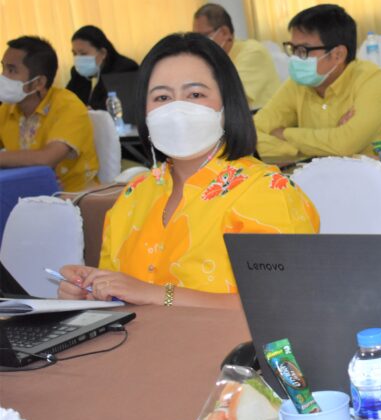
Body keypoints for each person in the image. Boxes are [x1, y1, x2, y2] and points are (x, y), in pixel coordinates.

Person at [57, 33, 319, 309]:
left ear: (227, 104)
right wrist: (92, 291)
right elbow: (121, 294)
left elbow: (286, 305)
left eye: (195, 94)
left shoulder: (267, 192)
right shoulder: (135, 194)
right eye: (162, 97)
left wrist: (157, 294)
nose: (177, 109)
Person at [254, 4, 381, 160]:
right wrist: (314, 149)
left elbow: (345, 144)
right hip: (322, 170)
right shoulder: (297, 84)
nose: (295, 58)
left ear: (338, 54)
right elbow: (252, 134)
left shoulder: (373, 81)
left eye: (303, 50)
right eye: (292, 49)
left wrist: (284, 134)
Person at [0, 36, 98, 192]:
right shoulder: (7, 108)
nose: (3, 77)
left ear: (39, 83)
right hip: (26, 192)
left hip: (76, 196)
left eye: (11, 70)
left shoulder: (68, 106)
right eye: (3, 68)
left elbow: (47, 158)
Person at [193, 3, 281, 110]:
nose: (199, 42)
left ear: (225, 32)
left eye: (203, 36)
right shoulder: (214, 59)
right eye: (195, 37)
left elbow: (232, 98)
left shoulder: (253, 52)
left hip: (262, 117)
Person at [66, 25, 140, 110]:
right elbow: (67, 102)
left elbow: (120, 108)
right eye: (74, 54)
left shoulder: (125, 69)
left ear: (103, 53)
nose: (78, 59)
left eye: (83, 54)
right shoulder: (78, 72)